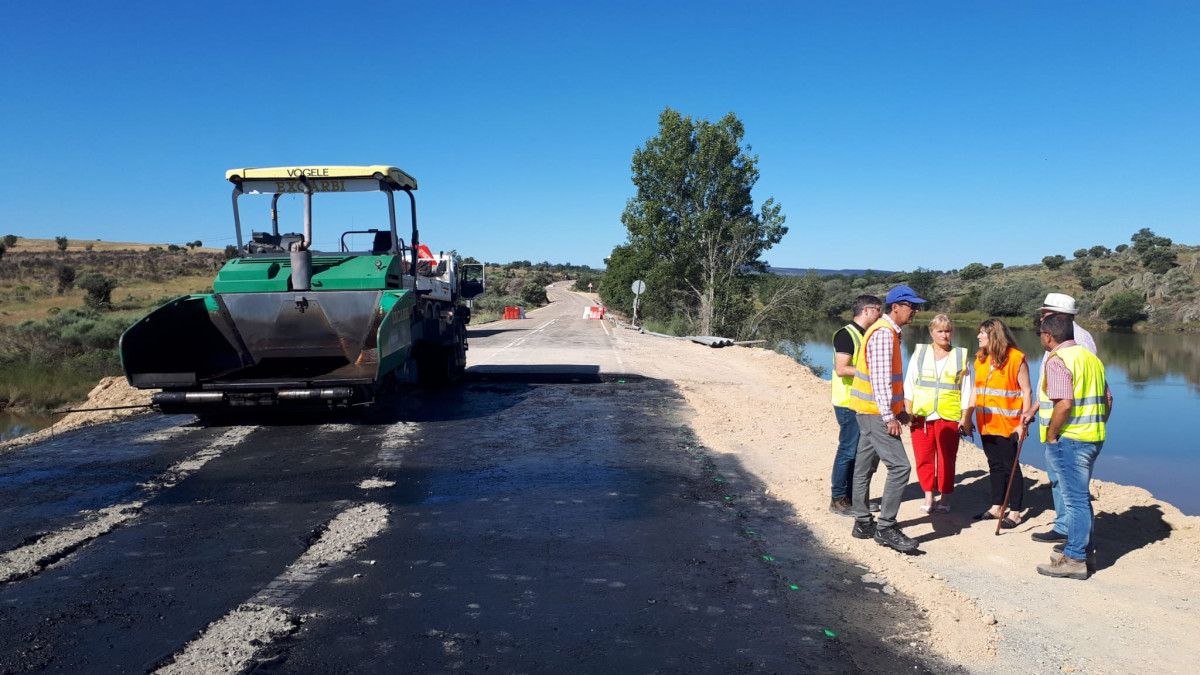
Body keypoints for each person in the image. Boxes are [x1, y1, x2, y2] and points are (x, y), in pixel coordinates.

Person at [1034, 313, 1114, 580]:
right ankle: (1085, 550)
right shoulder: (1091, 359)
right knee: (1081, 499)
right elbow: (1108, 399)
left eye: (1041, 335)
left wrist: (1053, 435)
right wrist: (1097, 425)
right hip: (1093, 436)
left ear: (1048, 336)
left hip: (1070, 440)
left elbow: (1064, 404)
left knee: (1075, 501)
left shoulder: (1058, 361)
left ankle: (1075, 558)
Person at [848, 285, 923, 553]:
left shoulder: (887, 332)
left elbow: (887, 381)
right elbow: (880, 381)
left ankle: (863, 523)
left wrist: (900, 410)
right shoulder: (883, 334)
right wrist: (889, 416)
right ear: (896, 307)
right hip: (875, 413)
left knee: (864, 467)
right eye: (912, 306)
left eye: (916, 306)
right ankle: (886, 528)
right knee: (900, 467)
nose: (915, 310)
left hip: (868, 411)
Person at [1025, 292, 1098, 544]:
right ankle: (1066, 526)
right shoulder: (1060, 340)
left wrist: (1054, 433)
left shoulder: (1076, 341)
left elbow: (1070, 395)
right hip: (1064, 426)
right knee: (1060, 480)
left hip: (1068, 430)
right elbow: (1055, 389)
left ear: (1059, 315)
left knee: (1071, 487)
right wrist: (1035, 407)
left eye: (1046, 313)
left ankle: (1071, 534)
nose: (1042, 317)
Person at [963, 319, 1033, 528]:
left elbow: (1027, 391)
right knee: (994, 465)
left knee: (1010, 467)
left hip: (1009, 424)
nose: (978, 336)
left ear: (994, 335)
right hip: (986, 423)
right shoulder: (981, 359)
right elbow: (976, 389)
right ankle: (996, 507)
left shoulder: (1015, 358)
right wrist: (966, 417)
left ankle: (1016, 512)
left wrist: (1023, 423)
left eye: (982, 333)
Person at [903, 314, 972, 514]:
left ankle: (945, 496)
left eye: (948, 330)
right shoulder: (920, 353)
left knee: (947, 458)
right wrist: (908, 411)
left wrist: (965, 417)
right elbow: (910, 383)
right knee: (923, 457)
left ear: (953, 332)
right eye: (940, 331)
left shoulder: (960, 356)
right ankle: (928, 496)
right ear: (931, 332)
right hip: (921, 415)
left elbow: (967, 389)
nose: (944, 335)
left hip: (948, 415)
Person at [829, 294, 882, 516]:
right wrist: (874, 373)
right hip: (847, 403)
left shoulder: (865, 335)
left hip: (861, 402)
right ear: (867, 310)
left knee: (861, 453)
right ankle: (839, 500)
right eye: (879, 310)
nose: (881, 314)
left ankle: (856, 499)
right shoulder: (846, 335)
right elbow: (842, 368)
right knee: (848, 451)